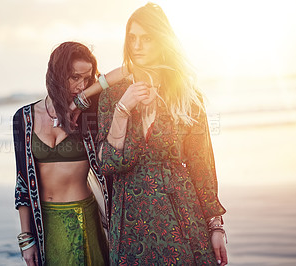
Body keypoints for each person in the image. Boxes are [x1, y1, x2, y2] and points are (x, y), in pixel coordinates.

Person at [93, 3, 228, 265]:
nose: (137, 46)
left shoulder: (186, 95)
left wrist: (216, 226)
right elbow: (108, 163)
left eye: (146, 38)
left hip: (180, 213)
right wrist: (123, 109)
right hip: (131, 220)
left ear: (162, 41)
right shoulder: (111, 95)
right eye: (132, 38)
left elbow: (202, 165)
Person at [13, 41, 113, 266]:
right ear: (57, 75)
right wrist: (26, 239)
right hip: (46, 223)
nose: (81, 85)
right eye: (74, 77)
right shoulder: (24, 117)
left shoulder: (91, 114)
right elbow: (22, 182)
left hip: (84, 216)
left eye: (87, 78)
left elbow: (128, 73)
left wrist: (81, 100)